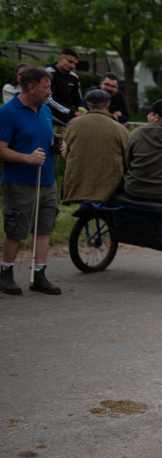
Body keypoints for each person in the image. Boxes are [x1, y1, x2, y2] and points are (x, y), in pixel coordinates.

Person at [0, 67, 61, 295]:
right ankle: (5, 274)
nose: (49, 91)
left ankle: (39, 275)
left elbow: (45, 139)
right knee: (16, 229)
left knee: (45, 226)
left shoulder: (45, 110)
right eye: (45, 87)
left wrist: (57, 148)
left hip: (47, 179)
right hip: (19, 182)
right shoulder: (8, 112)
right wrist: (26, 158)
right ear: (30, 87)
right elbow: (1, 149)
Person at [62, 88, 129, 203]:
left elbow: (65, 153)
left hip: (77, 186)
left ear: (88, 104)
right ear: (108, 103)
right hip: (109, 189)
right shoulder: (119, 128)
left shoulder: (73, 124)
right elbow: (128, 158)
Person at [45, 48, 84, 126]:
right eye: (70, 62)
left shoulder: (74, 77)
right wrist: (70, 111)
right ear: (60, 58)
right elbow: (48, 99)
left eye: (75, 64)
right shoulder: (47, 73)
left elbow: (78, 99)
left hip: (69, 117)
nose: (73, 66)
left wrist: (82, 111)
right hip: (49, 116)